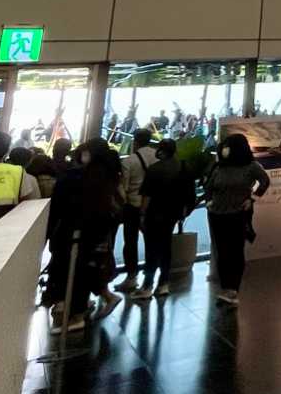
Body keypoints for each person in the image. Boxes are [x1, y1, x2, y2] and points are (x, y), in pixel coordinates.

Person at [46, 138, 124, 330]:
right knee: (87, 268)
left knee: (78, 269)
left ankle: (77, 313)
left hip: (77, 232)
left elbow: (59, 207)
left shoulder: (77, 177)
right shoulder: (108, 176)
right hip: (97, 231)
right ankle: (82, 305)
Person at [205, 134, 270, 305]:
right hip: (217, 214)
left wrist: (252, 199)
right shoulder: (220, 166)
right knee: (221, 250)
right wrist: (209, 202)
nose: (225, 149)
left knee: (235, 251)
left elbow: (264, 181)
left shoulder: (251, 166)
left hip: (237, 215)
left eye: (228, 146)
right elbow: (209, 186)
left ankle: (233, 289)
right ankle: (226, 287)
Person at [130, 139, 189, 300]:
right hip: (172, 214)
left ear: (161, 151)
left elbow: (147, 196)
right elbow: (187, 192)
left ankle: (147, 285)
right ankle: (163, 283)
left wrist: (142, 215)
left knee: (151, 250)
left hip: (155, 214)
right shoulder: (182, 167)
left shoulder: (154, 169)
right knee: (166, 248)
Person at [114, 128, 156, 291]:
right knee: (151, 242)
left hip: (132, 206)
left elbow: (123, 187)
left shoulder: (129, 161)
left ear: (135, 141)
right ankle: (150, 278)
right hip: (152, 206)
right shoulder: (157, 157)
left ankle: (132, 277)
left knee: (130, 242)